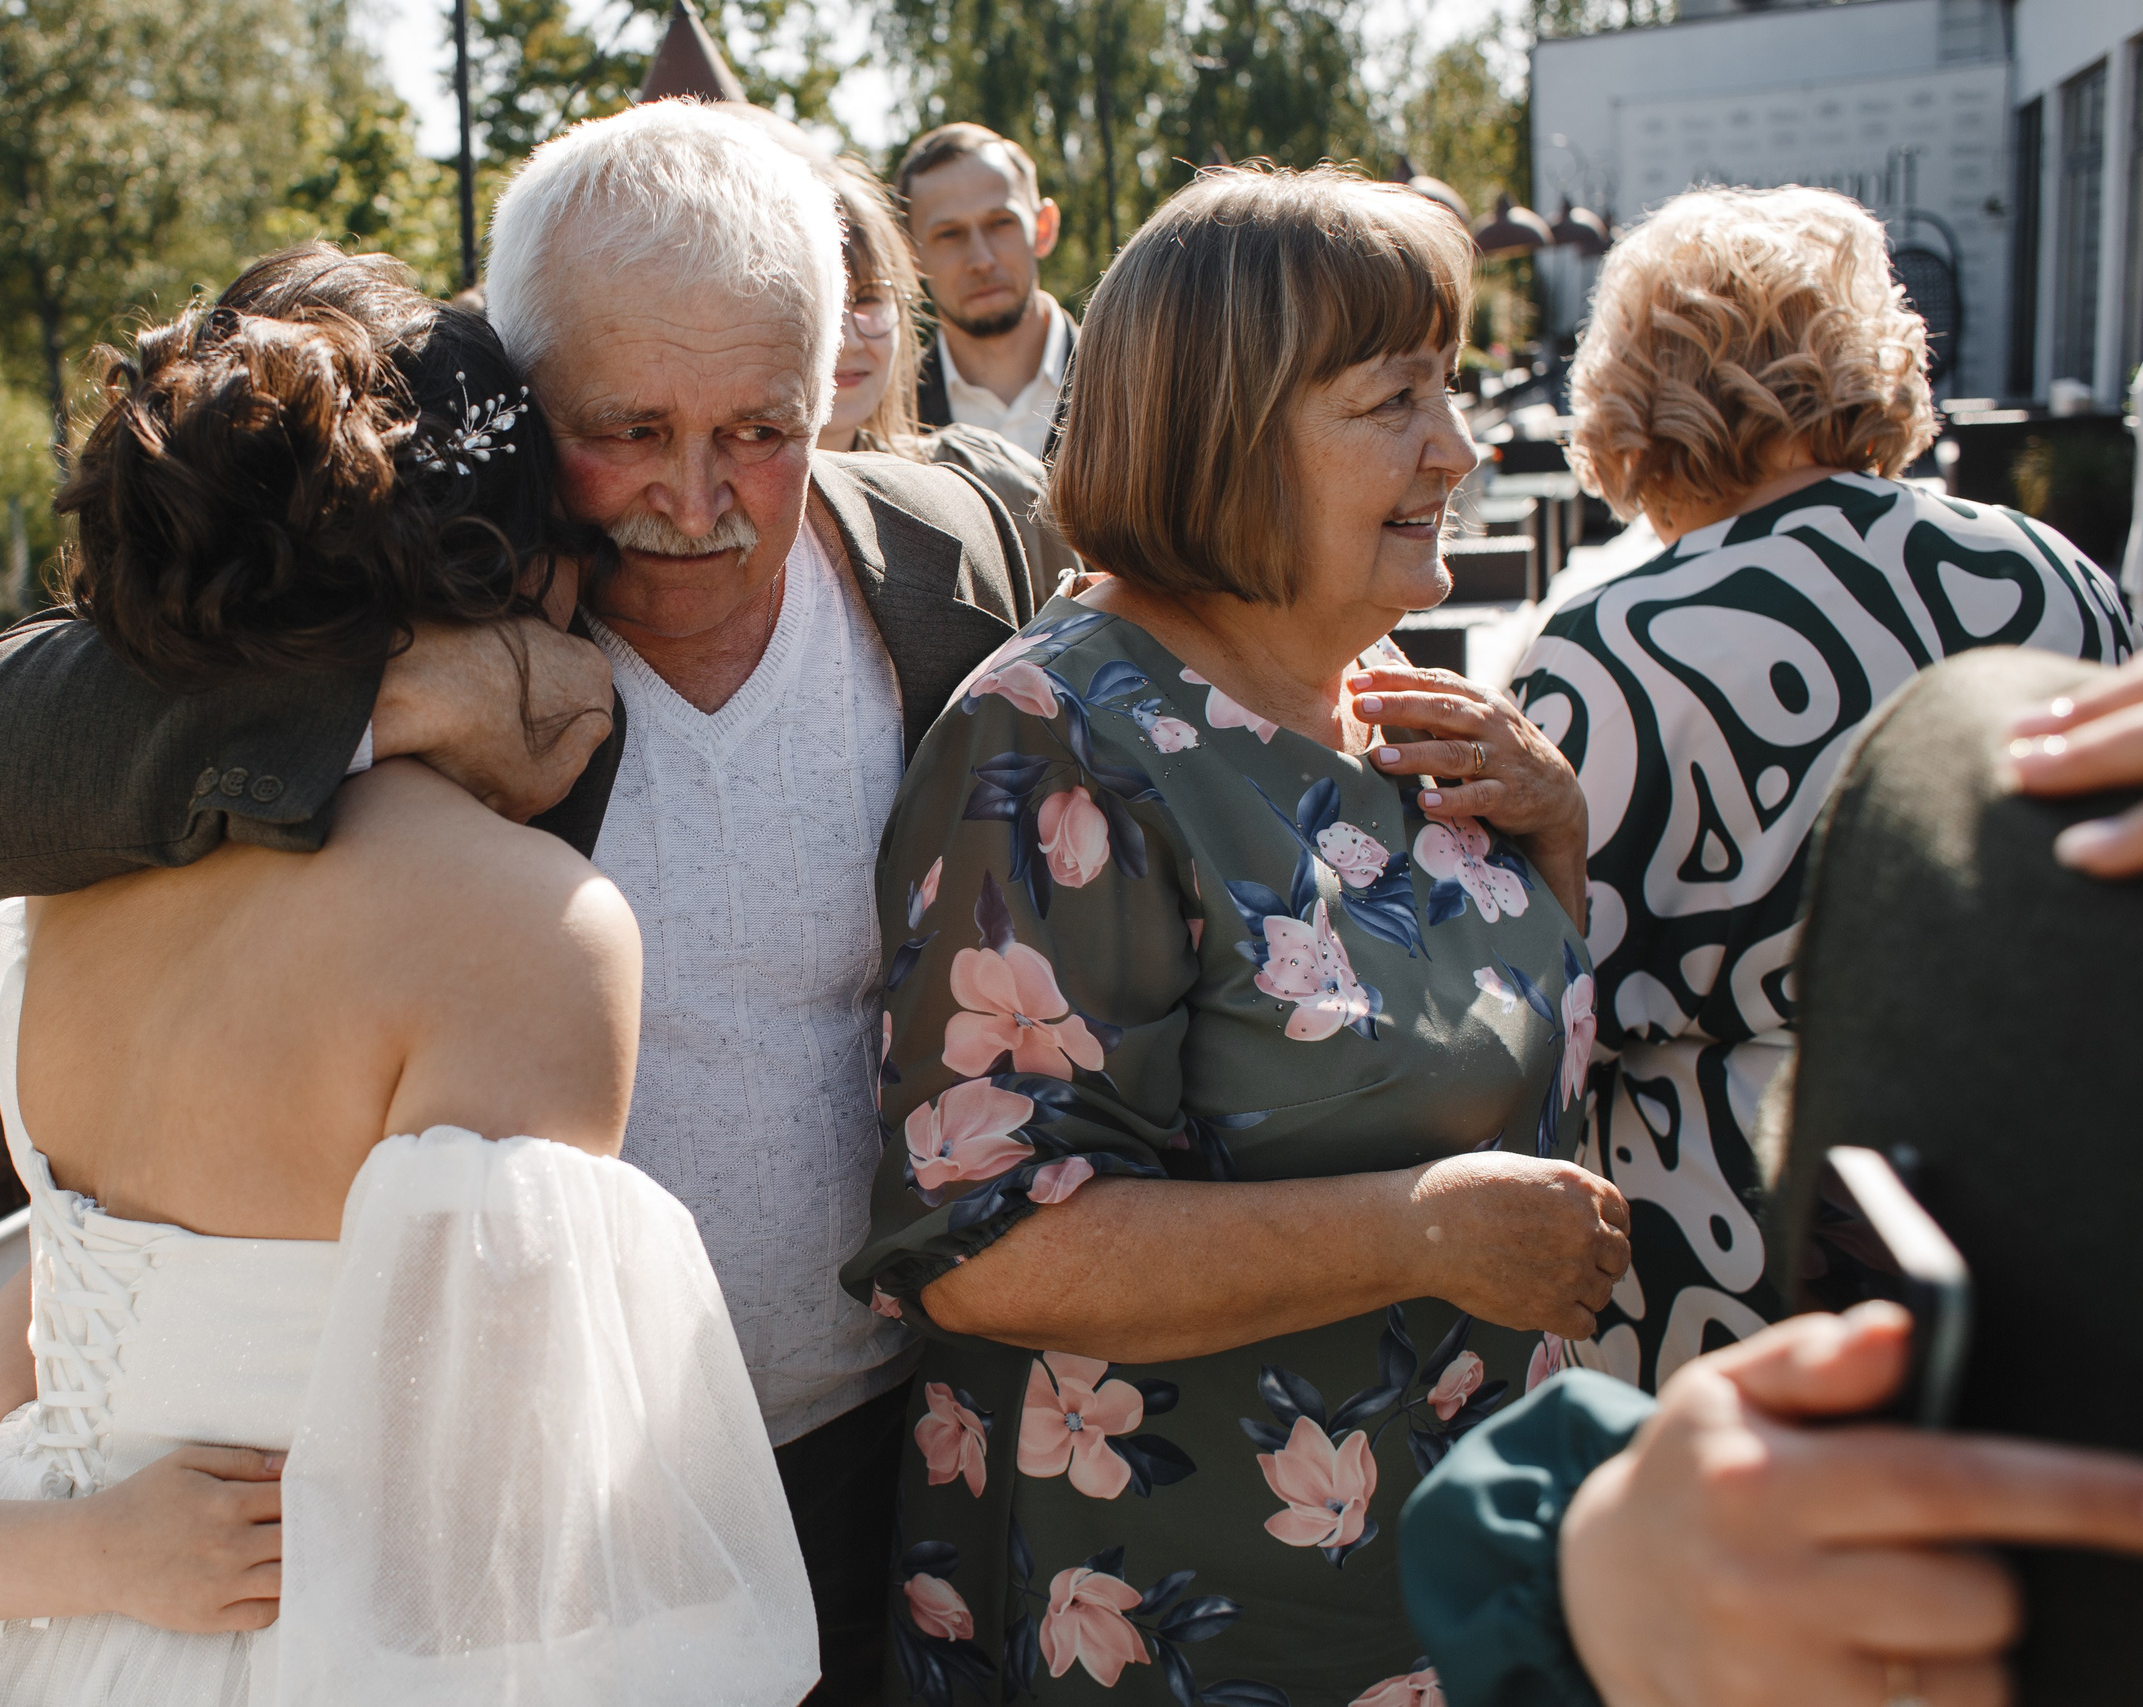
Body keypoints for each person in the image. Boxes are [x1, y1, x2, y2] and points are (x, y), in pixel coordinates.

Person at [0, 101, 1051, 1705]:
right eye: (626, 428)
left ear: (834, 373)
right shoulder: (422, 592)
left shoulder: (953, 552)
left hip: (900, 1448)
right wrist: (393, 693)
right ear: (511, 380)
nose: (699, 501)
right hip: (540, 1544)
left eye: (759, 429)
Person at [845, 164, 1632, 1705]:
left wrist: (1557, 851)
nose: (1457, 448)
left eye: (1451, 389)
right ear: (1225, 430)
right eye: (1392, 401)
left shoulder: (1387, 688)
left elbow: (1465, 1049)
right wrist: (1417, 1224)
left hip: (1439, 1594)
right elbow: (986, 1240)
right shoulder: (1057, 740)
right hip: (1175, 1629)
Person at [1402, 642, 2143, 1706]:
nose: (1461, 460)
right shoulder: (2042, 590)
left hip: (1696, 1223)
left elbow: (1582, 995)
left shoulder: (1603, 650)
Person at [1507, 185, 2132, 1391]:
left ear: (1634, 392)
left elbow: (1551, 988)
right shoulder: (2054, 572)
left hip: (1737, 1239)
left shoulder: (1609, 644)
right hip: (2043, 1172)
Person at [807, 150, 1080, 589]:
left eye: (869, 299)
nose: (849, 340)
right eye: (819, 305)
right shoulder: (701, 504)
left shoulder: (995, 481)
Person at [897, 123, 1073, 461]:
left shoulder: (1132, 384)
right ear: (910, 255)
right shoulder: (884, 419)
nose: (981, 260)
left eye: (1000, 223)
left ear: (1043, 227)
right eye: (949, 234)